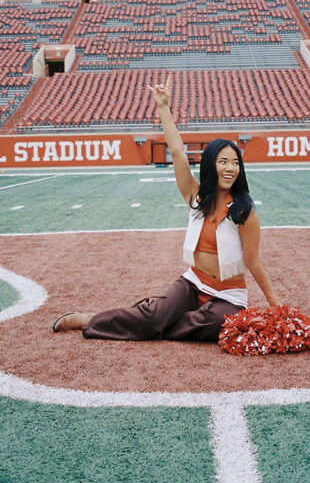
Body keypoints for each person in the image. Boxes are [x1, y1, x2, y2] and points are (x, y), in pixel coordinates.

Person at [52, 74, 279, 341]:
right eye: (223, 161)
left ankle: (153, 318)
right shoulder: (195, 196)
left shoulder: (244, 210)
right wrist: (163, 107)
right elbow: (178, 150)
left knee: (219, 325)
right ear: (210, 165)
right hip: (194, 283)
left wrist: (276, 306)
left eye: (235, 163)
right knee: (162, 317)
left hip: (229, 294)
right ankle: (91, 319)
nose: (230, 168)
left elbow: (253, 261)